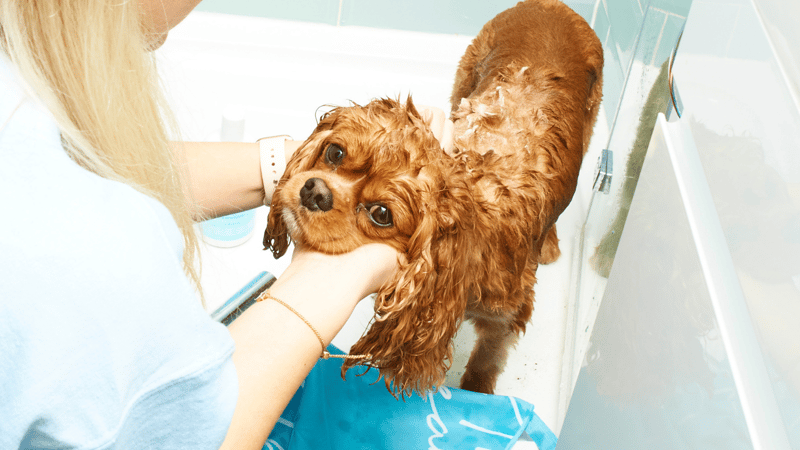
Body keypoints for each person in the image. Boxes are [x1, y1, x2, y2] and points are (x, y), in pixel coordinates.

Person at [0, 1, 453, 449]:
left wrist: (292, 163)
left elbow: (78, 160)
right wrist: (336, 276)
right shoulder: (88, 250)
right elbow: (195, 434)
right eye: (334, 157)